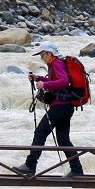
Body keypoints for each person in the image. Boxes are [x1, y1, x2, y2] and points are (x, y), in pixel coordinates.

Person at [13, 41, 84, 178]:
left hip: (60, 107)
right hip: (66, 107)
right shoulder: (55, 64)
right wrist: (38, 78)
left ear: (49, 53)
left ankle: (30, 166)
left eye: (42, 54)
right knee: (63, 140)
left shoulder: (56, 63)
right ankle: (77, 170)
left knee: (40, 132)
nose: (41, 57)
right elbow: (55, 80)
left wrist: (44, 84)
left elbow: (63, 81)